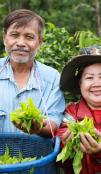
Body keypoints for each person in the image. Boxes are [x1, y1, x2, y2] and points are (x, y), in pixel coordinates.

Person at [0, 9, 65, 137]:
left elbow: (53, 123)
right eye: (14, 35)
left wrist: (38, 128)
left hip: (38, 156)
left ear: (39, 42)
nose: (20, 43)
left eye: (29, 37)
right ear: (4, 38)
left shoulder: (52, 78)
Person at [56, 45, 101, 174]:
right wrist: (65, 144)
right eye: (89, 77)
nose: (97, 83)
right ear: (79, 83)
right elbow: (60, 156)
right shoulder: (71, 113)